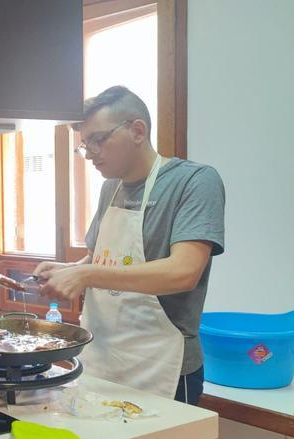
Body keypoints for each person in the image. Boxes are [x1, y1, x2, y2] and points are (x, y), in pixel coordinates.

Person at [36, 86, 225, 405]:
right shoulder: (110, 188)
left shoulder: (194, 182)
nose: (91, 152)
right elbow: (104, 259)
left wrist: (85, 276)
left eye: (99, 139)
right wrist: (69, 271)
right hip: (102, 362)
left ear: (138, 130)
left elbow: (183, 272)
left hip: (164, 370)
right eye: (85, 145)